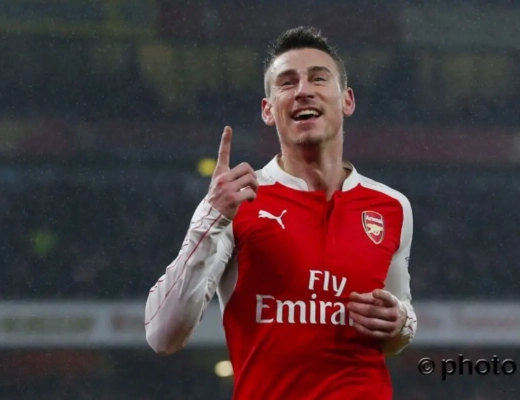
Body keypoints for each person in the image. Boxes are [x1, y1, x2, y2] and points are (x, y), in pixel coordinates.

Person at [145, 26, 417, 400]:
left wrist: (400, 322)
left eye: (318, 78)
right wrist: (211, 216)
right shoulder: (237, 202)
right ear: (268, 110)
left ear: (347, 100)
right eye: (287, 83)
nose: (303, 90)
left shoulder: (392, 207)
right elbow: (162, 336)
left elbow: (398, 325)